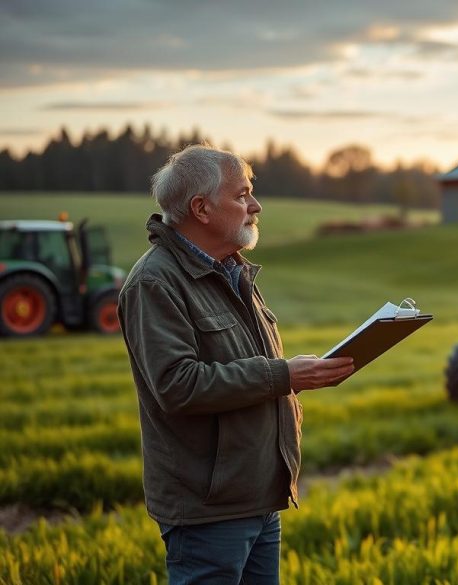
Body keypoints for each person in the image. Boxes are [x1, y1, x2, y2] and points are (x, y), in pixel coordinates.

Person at [117, 144, 355, 584]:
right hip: (209, 508)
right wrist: (285, 375)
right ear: (201, 209)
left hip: (258, 496)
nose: (255, 205)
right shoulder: (155, 282)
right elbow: (177, 385)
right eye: (242, 195)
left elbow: (241, 372)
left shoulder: (233, 270)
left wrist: (294, 378)